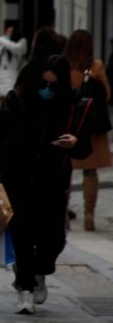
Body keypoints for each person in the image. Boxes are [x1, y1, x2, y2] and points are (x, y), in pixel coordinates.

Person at [0, 54, 91, 314]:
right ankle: (25, 288)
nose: (46, 90)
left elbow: (85, 146)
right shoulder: (17, 100)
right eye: (43, 84)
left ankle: (40, 271)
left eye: (52, 85)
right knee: (22, 235)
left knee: (53, 238)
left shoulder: (70, 106)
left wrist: (74, 143)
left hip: (53, 179)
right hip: (17, 176)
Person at [61, 30, 111, 231]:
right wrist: (88, 77)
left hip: (68, 125)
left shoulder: (62, 66)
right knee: (90, 172)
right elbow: (105, 94)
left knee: (64, 170)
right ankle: (89, 215)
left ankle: (63, 213)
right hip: (90, 128)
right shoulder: (92, 67)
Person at [0, 22, 28, 109]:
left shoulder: (21, 42)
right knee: (0, 103)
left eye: (10, 31)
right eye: (7, 31)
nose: (8, 33)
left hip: (11, 75)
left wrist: (0, 39)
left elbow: (15, 48)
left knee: (10, 100)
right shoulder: (2, 44)